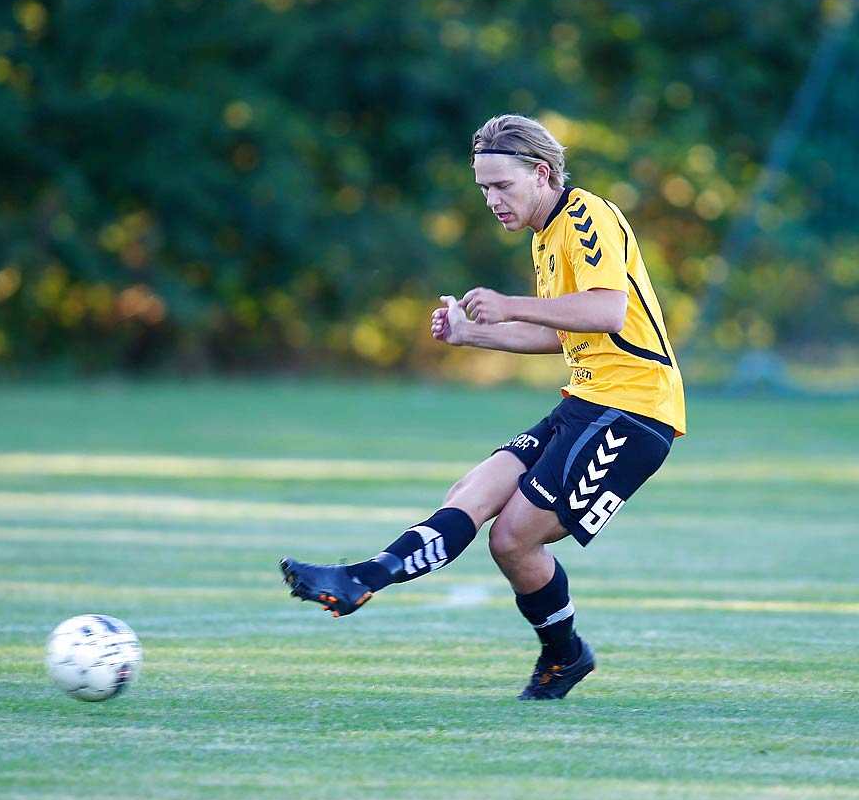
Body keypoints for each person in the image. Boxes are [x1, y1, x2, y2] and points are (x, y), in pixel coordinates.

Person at [281, 113, 686, 699]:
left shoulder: (585, 217)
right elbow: (566, 335)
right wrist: (472, 335)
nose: (492, 200)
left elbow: (605, 313)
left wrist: (510, 303)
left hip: (635, 410)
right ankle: (362, 577)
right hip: (586, 401)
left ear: (542, 174)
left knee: (512, 538)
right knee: (472, 492)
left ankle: (564, 655)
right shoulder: (545, 236)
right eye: (484, 189)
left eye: (502, 186)